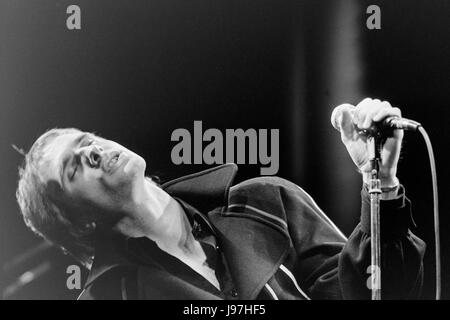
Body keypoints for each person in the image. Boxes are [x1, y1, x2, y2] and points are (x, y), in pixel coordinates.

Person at [16, 98, 425, 300]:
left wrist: (379, 182)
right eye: (74, 169)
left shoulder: (266, 202)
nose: (93, 151)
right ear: (79, 222)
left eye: (86, 141)